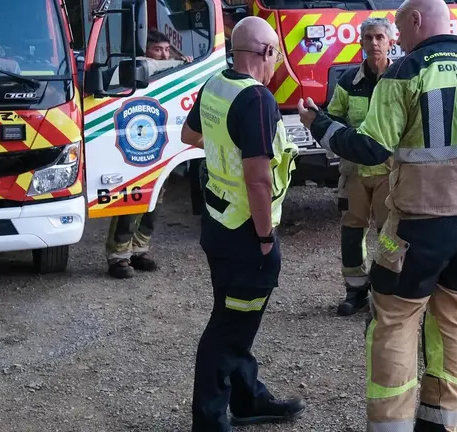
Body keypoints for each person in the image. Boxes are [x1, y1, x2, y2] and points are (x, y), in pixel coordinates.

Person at [298, 0, 457, 428]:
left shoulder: (405, 72)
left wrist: (319, 124)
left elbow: (370, 147)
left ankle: (391, 424)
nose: (397, 38)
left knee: (395, 320)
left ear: (417, 20)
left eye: (399, 28)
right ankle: (441, 419)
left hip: (418, 223)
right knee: (453, 319)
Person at [180, 16, 305, 431]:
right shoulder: (256, 99)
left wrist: (225, 147)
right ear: (267, 52)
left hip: (219, 221)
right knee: (230, 327)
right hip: (246, 234)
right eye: (276, 56)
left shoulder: (216, 84)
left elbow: (189, 136)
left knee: (234, 315)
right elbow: (258, 179)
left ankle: (248, 399)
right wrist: (265, 237)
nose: (276, 65)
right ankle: (209, 421)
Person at [104, 30, 193, 279]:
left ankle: (139, 250)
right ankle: (118, 256)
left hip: (158, 144)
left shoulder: (169, 72)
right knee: (130, 203)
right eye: (157, 49)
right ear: (145, 50)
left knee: (154, 204)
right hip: (134, 144)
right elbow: (150, 66)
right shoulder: (136, 68)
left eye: (167, 49)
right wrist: (180, 63)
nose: (163, 55)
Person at [327, 18, 397, 316]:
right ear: (361, 43)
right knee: (352, 229)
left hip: (388, 171)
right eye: (368, 37)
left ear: (391, 41)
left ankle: (387, 291)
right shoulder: (347, 81)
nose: (374, 43)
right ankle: (355, 290)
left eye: (380, 37)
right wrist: (348, 141)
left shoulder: (400, 78)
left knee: (389, 233)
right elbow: (333, 117)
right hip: (354, 170)